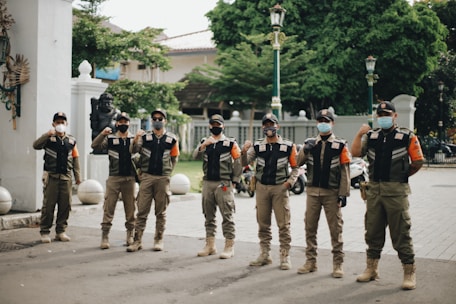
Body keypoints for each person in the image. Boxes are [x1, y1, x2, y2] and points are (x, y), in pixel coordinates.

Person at [351, 101, 424, 290]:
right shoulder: (371, 136)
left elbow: (417, 161)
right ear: (377, 117)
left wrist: (402, 175)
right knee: (373, 232)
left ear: (395, 116)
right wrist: (360, 133)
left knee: (401, 232)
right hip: (374, 192)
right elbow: (356, 152)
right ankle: (371, 269)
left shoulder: (407, 136)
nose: (384, 117)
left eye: (387, 114)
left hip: (396, 193)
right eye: (381, 114)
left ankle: (409, 271)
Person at [296, 109, 350, 278]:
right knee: (310, 227)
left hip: (331, 193)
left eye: (326, 120)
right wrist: (305, 149)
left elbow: (345, 171)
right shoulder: (310, 143)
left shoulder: (340, 145)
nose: (323, 123)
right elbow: (297, 163)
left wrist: (343, 194)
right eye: (320, 120)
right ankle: (311, 261)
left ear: (332, 123)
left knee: (336, 229)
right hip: (312, 193)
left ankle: (338, 264)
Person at [241, 113, 299, 270]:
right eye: (266, 125)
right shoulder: (258, 145)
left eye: (271, 124)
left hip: (280, 188)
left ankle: (285, 256)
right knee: (263, 223)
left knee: (284, 224)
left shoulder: (288, 146)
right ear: (262, 127)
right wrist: (244, 151)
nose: (269, 128)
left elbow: (296, 167)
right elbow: (245, 162)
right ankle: (265, 254)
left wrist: (289, 183)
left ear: (277, 126)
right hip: (262, 188)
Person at [127, 109, 179, 252]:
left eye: (160, 119)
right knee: (142, 211)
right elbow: (133, 151)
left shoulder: (171, 139)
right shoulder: (145, 137)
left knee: (160, 212)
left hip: (162, 179)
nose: (157, 121)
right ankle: (137, 241)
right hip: (147, 177)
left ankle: (158, 239)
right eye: (154, 118)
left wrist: (168, 173)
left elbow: (174, 158)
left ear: (165, 121)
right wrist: (136, 139)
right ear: (151, 121)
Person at [192, 114, 242, 259]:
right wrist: (204, 145)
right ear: (209, 126)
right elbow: (195, 156)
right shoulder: (204, 141)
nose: (216, 127)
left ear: (223, 126)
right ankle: (210, 245)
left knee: (227, 215)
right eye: (213, 125)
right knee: (208, 215)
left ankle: (229, 246)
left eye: (218, 125)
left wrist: (235, 180)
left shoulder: (230, 143)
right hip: (208, 183)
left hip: (223, 183)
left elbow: (238, 161)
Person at [33, 112, 81, 243]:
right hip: (52, 177)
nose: (60, 124)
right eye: (58, 122)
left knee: (65, 206)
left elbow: (76, 159)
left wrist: (78, 177)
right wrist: (47, 134)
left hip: (66, 177)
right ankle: (45, 231)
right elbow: (35, 145)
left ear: (66, 124)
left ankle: (61, 231)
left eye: (62, 122)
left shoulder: (71, 140)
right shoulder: (49, 138)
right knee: (49, 206)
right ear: (53, 124)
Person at [91, 112, 137, 249]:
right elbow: (94, 145)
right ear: (116, 123)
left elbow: (139, 150)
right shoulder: (110, 139)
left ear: (129, 123)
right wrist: (103, 134)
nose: (123, 124)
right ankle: (105, 236)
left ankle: (130, 235)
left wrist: (138, 139)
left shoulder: (134, 139)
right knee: (109, 207)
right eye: (120, 122)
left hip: (129, 178)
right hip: (114, 177)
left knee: (130, 208)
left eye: (125, 122)